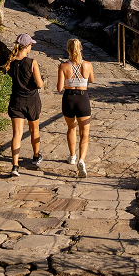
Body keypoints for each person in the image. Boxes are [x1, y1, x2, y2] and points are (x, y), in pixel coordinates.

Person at [4, 33, 44, 177]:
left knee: (17, 134)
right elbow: (39, 84)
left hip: (16, 100)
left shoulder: (11, 62)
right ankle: (35, 156)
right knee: (34, 131)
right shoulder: (32, 62)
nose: (31, 47)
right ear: (26, 46)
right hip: (32, 101)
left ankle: (15, 166)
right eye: (31, 45)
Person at [57, 38, 94, 178]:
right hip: (83, 99)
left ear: (68, 50)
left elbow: (59, 88)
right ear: (81, 49)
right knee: (85, 133)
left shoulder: (63, 66)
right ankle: (81, 160)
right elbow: (91, 80)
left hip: (69, 98)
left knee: (71, 128)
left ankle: (72, 156)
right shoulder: (88, 65)